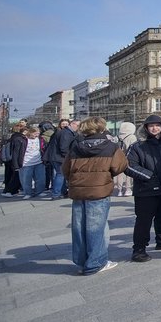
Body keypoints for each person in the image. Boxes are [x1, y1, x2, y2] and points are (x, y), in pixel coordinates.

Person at [63, 116, 128, 275]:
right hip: (99, 190)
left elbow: (65, 169)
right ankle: (96, 263)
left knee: (79, 227)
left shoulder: (76, 146)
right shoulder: (110, 146)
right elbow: (120, 166)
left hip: (78, 191)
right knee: (96, 227)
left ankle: (81, 261)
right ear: (101, 128)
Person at [125, 115, 161, 262]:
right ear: (146, 128)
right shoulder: (137, 146)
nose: (154, 128)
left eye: (157, 125)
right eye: (151, 126)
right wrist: (148, 176)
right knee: (144, 220)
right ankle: (139, 249)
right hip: (146, 191)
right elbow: (129, 165)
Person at [46, 119, 77, 200]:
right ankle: (56, 194)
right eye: (78, 126)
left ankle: (63, 192)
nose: (78, 128)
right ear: (73, 124)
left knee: (62, 174)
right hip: (60, 157)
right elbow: (64, 147)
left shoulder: (64, 132)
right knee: (60, 174)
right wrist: (68, 157)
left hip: (56, 156)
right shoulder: (66, 133)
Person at [15, 126, 47, 199]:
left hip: (39, 162)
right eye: (35, 133)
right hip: (26, 163)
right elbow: (17, 152)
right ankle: (28, 193)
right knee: (26, 179)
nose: (37, 135)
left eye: (38, 133)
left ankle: (39, 191)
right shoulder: (23, 140)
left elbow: (44, 148)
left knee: (40, 178)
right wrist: (16, 164)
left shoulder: (40, 139)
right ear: (31, 133)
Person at [1, 121, 27, 197]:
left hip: (8, 159)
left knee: (9, 175)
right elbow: (16, 152)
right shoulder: (19, 138)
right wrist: (16, 164)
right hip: (15, 160)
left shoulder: (12, 137)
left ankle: (8, 190)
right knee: (16, 176)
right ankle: (10, 190)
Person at [113, 121, 138, 196]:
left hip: (119, 157)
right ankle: (128, 189)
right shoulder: (132, 137)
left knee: (120, 174)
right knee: (129, 174)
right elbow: (134, 148)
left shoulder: (118, 136)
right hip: (129, 157)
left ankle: (119, 190)